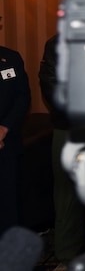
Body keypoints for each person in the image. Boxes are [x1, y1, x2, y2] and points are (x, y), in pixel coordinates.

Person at [38, 34, 85, 265]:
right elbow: (49, 84)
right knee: (67, 195)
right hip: (69, 128)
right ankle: (67, 256)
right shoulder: (57, 43)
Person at [0, 45, 31, 237]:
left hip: (7, 146)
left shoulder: (10, 58)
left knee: (9, 208)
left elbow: (23, 97)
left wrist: (4, 128)